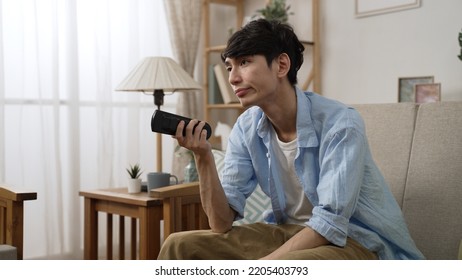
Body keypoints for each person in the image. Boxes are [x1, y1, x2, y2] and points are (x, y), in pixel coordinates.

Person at [157, 19, 424, 260]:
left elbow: (330, 224)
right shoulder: (246, 127)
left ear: (282, 65)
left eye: (245, 63)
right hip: (285, 232)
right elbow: (220, 224)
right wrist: (203, 156)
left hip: (352, 241)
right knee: (178, 245)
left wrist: (263, 267)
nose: (232, 78)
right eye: (229, 67)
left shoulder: (341, 123)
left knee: (288, 266)